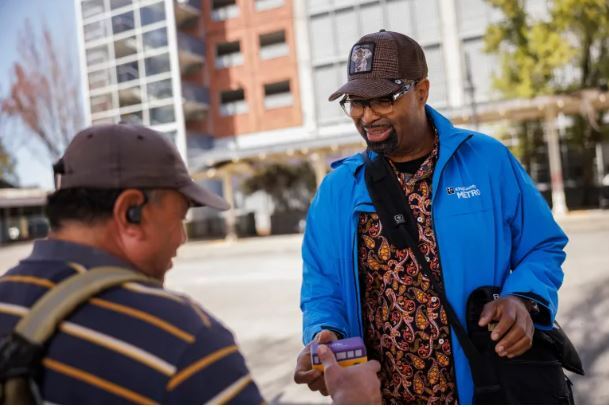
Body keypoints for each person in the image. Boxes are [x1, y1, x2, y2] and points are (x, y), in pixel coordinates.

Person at [0, 123, 381, 404]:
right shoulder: (182, 339)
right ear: (130, 212)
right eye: (180, 217)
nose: (181, 239)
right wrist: (355, 401)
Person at [295, 30, 568, 404]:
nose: (368, 116)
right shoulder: (337, 190)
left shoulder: (488, 161)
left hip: (485, 388)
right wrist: (325, 333)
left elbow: (543, 244)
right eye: (356, 103)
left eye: (383, 100)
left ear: (422, 91)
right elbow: (322, 286)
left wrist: (523, 299)